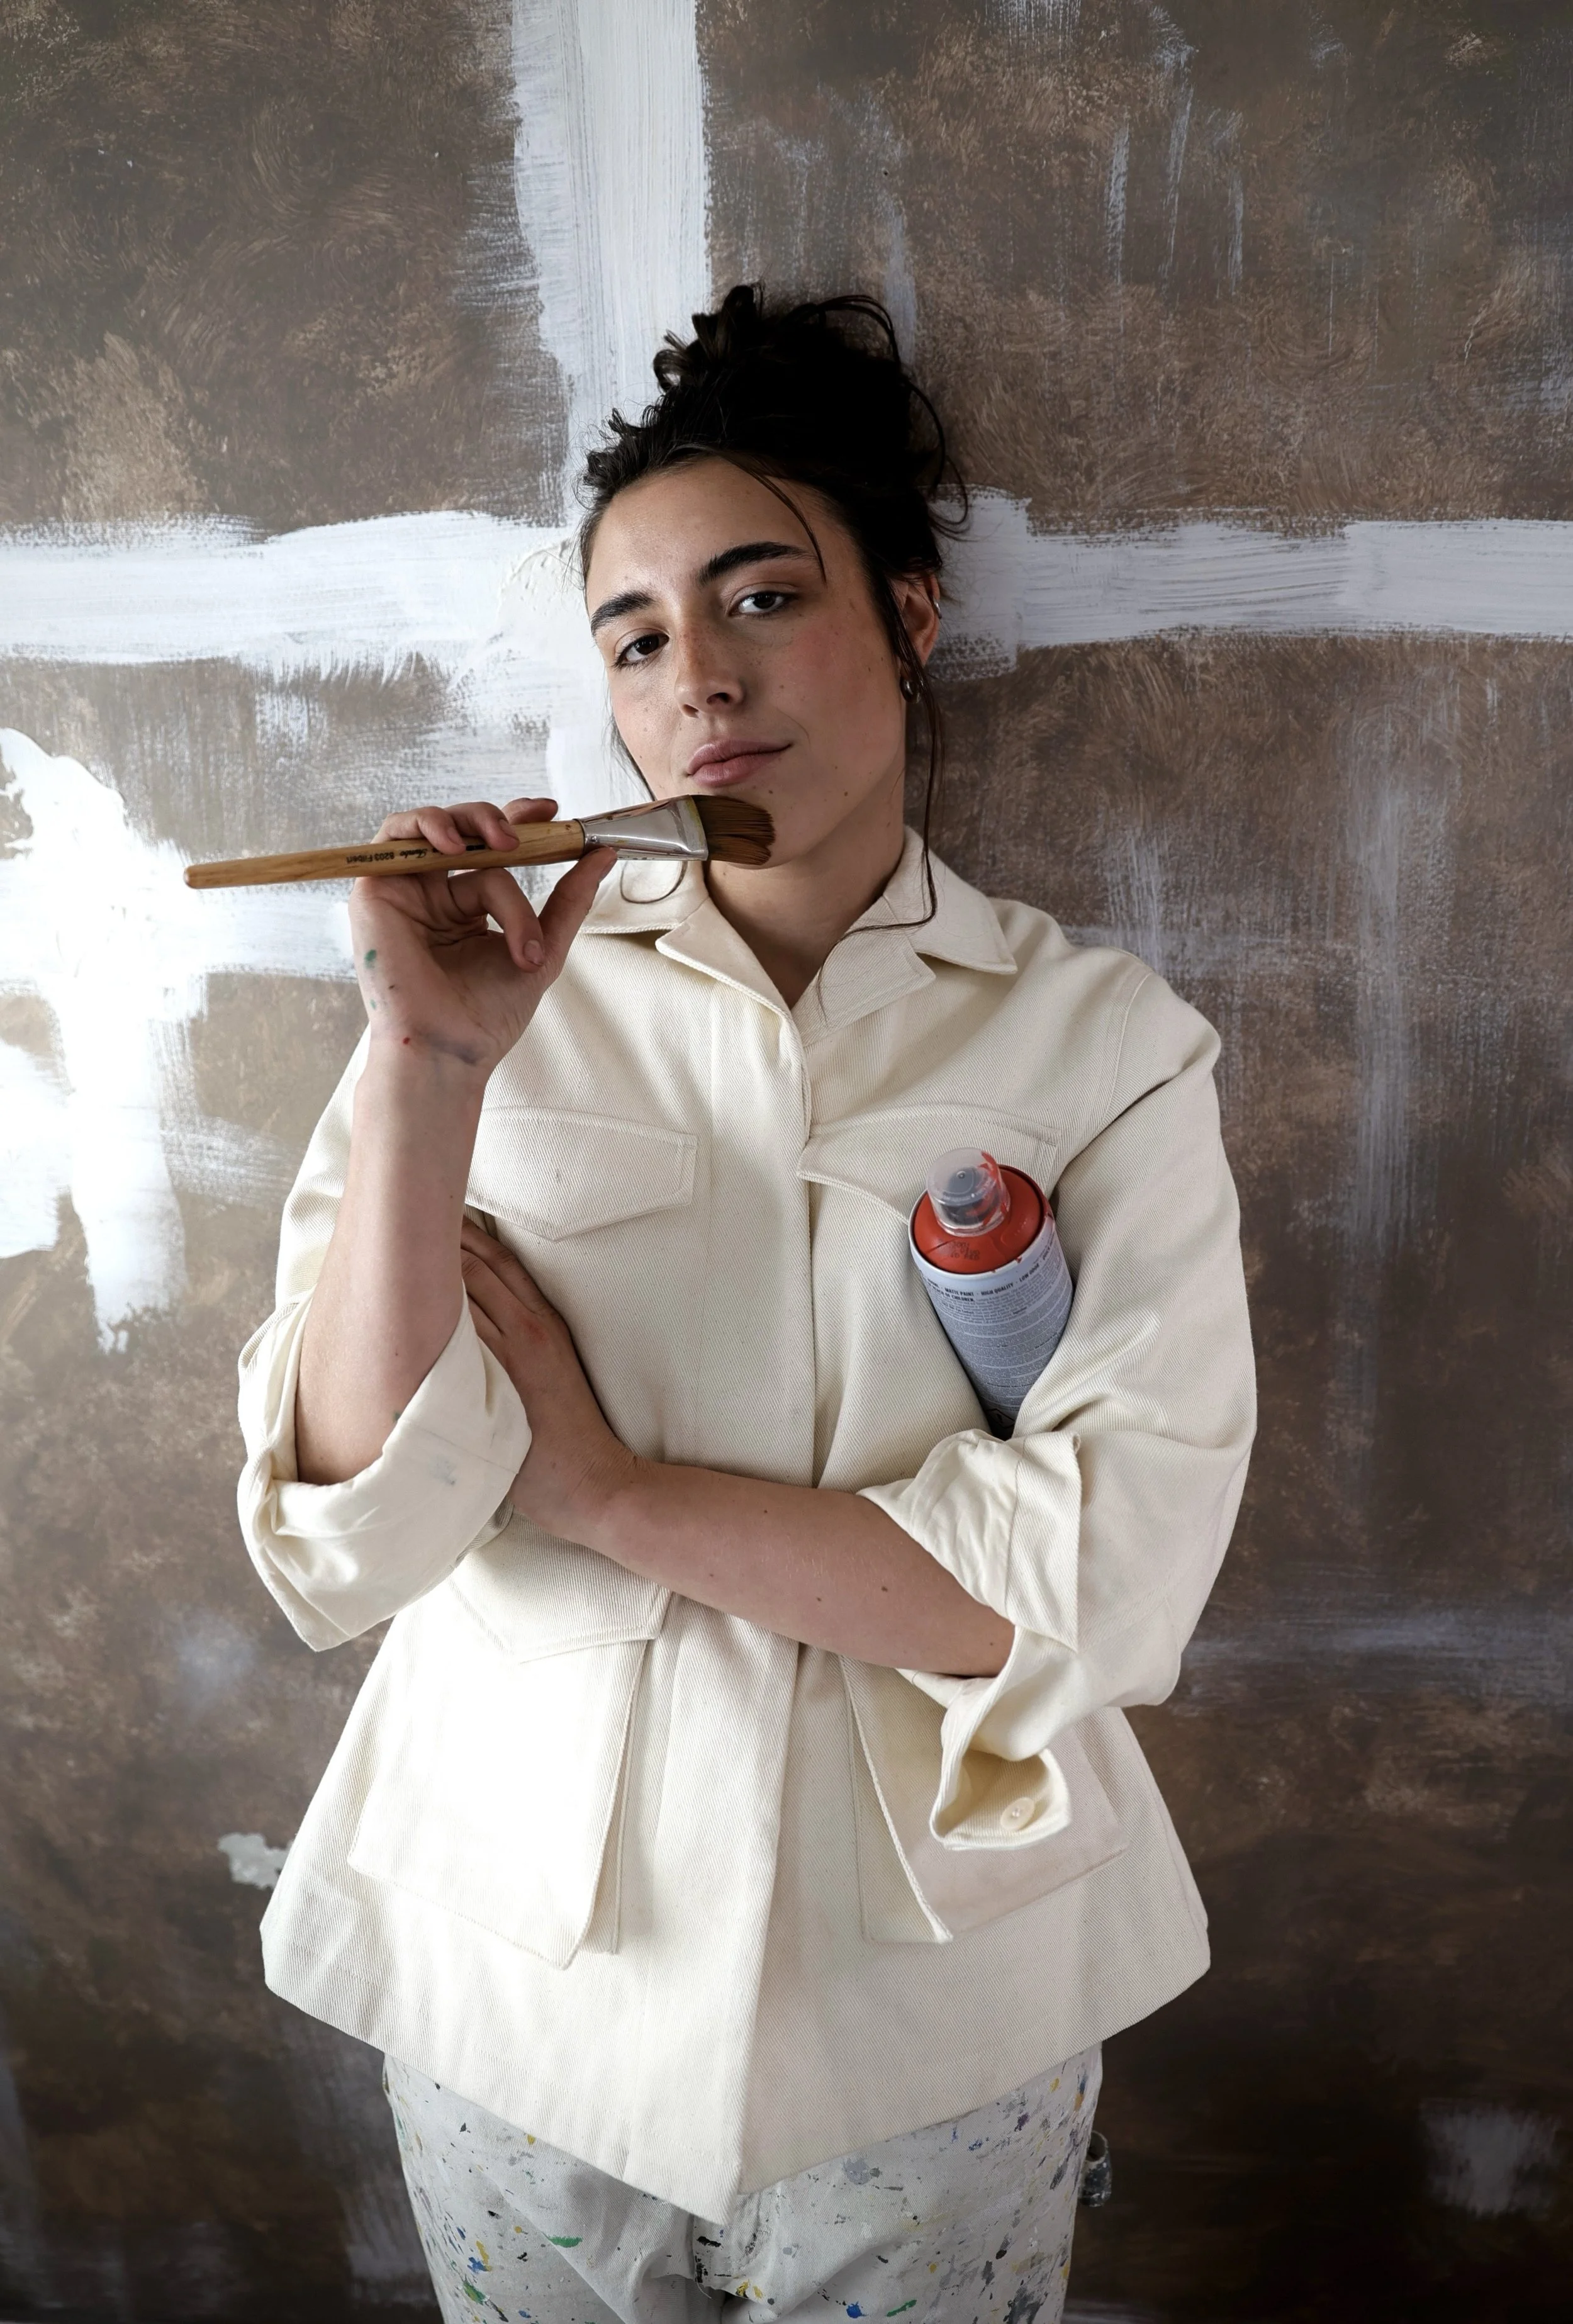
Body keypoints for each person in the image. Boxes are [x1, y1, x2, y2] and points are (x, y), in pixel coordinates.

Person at [237, 286, 1255, 2324]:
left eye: (760, 596)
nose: (694, 674)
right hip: (529, 1982)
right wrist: (432, 1064)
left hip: (936, 2008)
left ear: (909, 612)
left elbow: (1094, 1587)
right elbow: (338, 1532)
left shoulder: (1104, 1046)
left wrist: (611, 1495)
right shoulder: (477, 1016)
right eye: (633, 636)